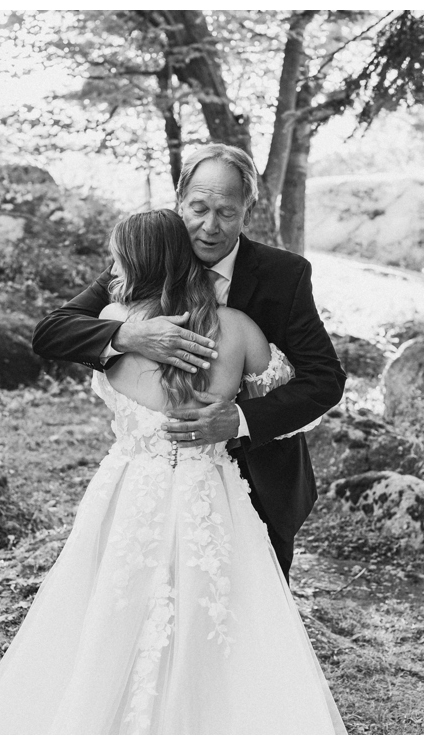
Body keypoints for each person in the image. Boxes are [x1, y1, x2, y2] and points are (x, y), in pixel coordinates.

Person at [0, 210, 345, 734]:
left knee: (111, 606)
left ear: (134, 262)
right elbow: (298, 388)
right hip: (211, 491)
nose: (111, 268)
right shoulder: (237, 328)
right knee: (219, 611)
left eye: (117, 259)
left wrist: (236, 415)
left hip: (130, 488)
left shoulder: (115, 318)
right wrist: (232, 399)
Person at [32, 144, 345, 577]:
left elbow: (325, 378)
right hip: (154, 487)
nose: (209, 226)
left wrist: (239, 419)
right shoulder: (148, 256)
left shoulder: (285, 275)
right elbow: (52, 331)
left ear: (246, 211)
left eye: (226, 212)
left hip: (261, 477)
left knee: (254, 616)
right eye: (198, 208)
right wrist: (128, 335)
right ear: (180, 202)